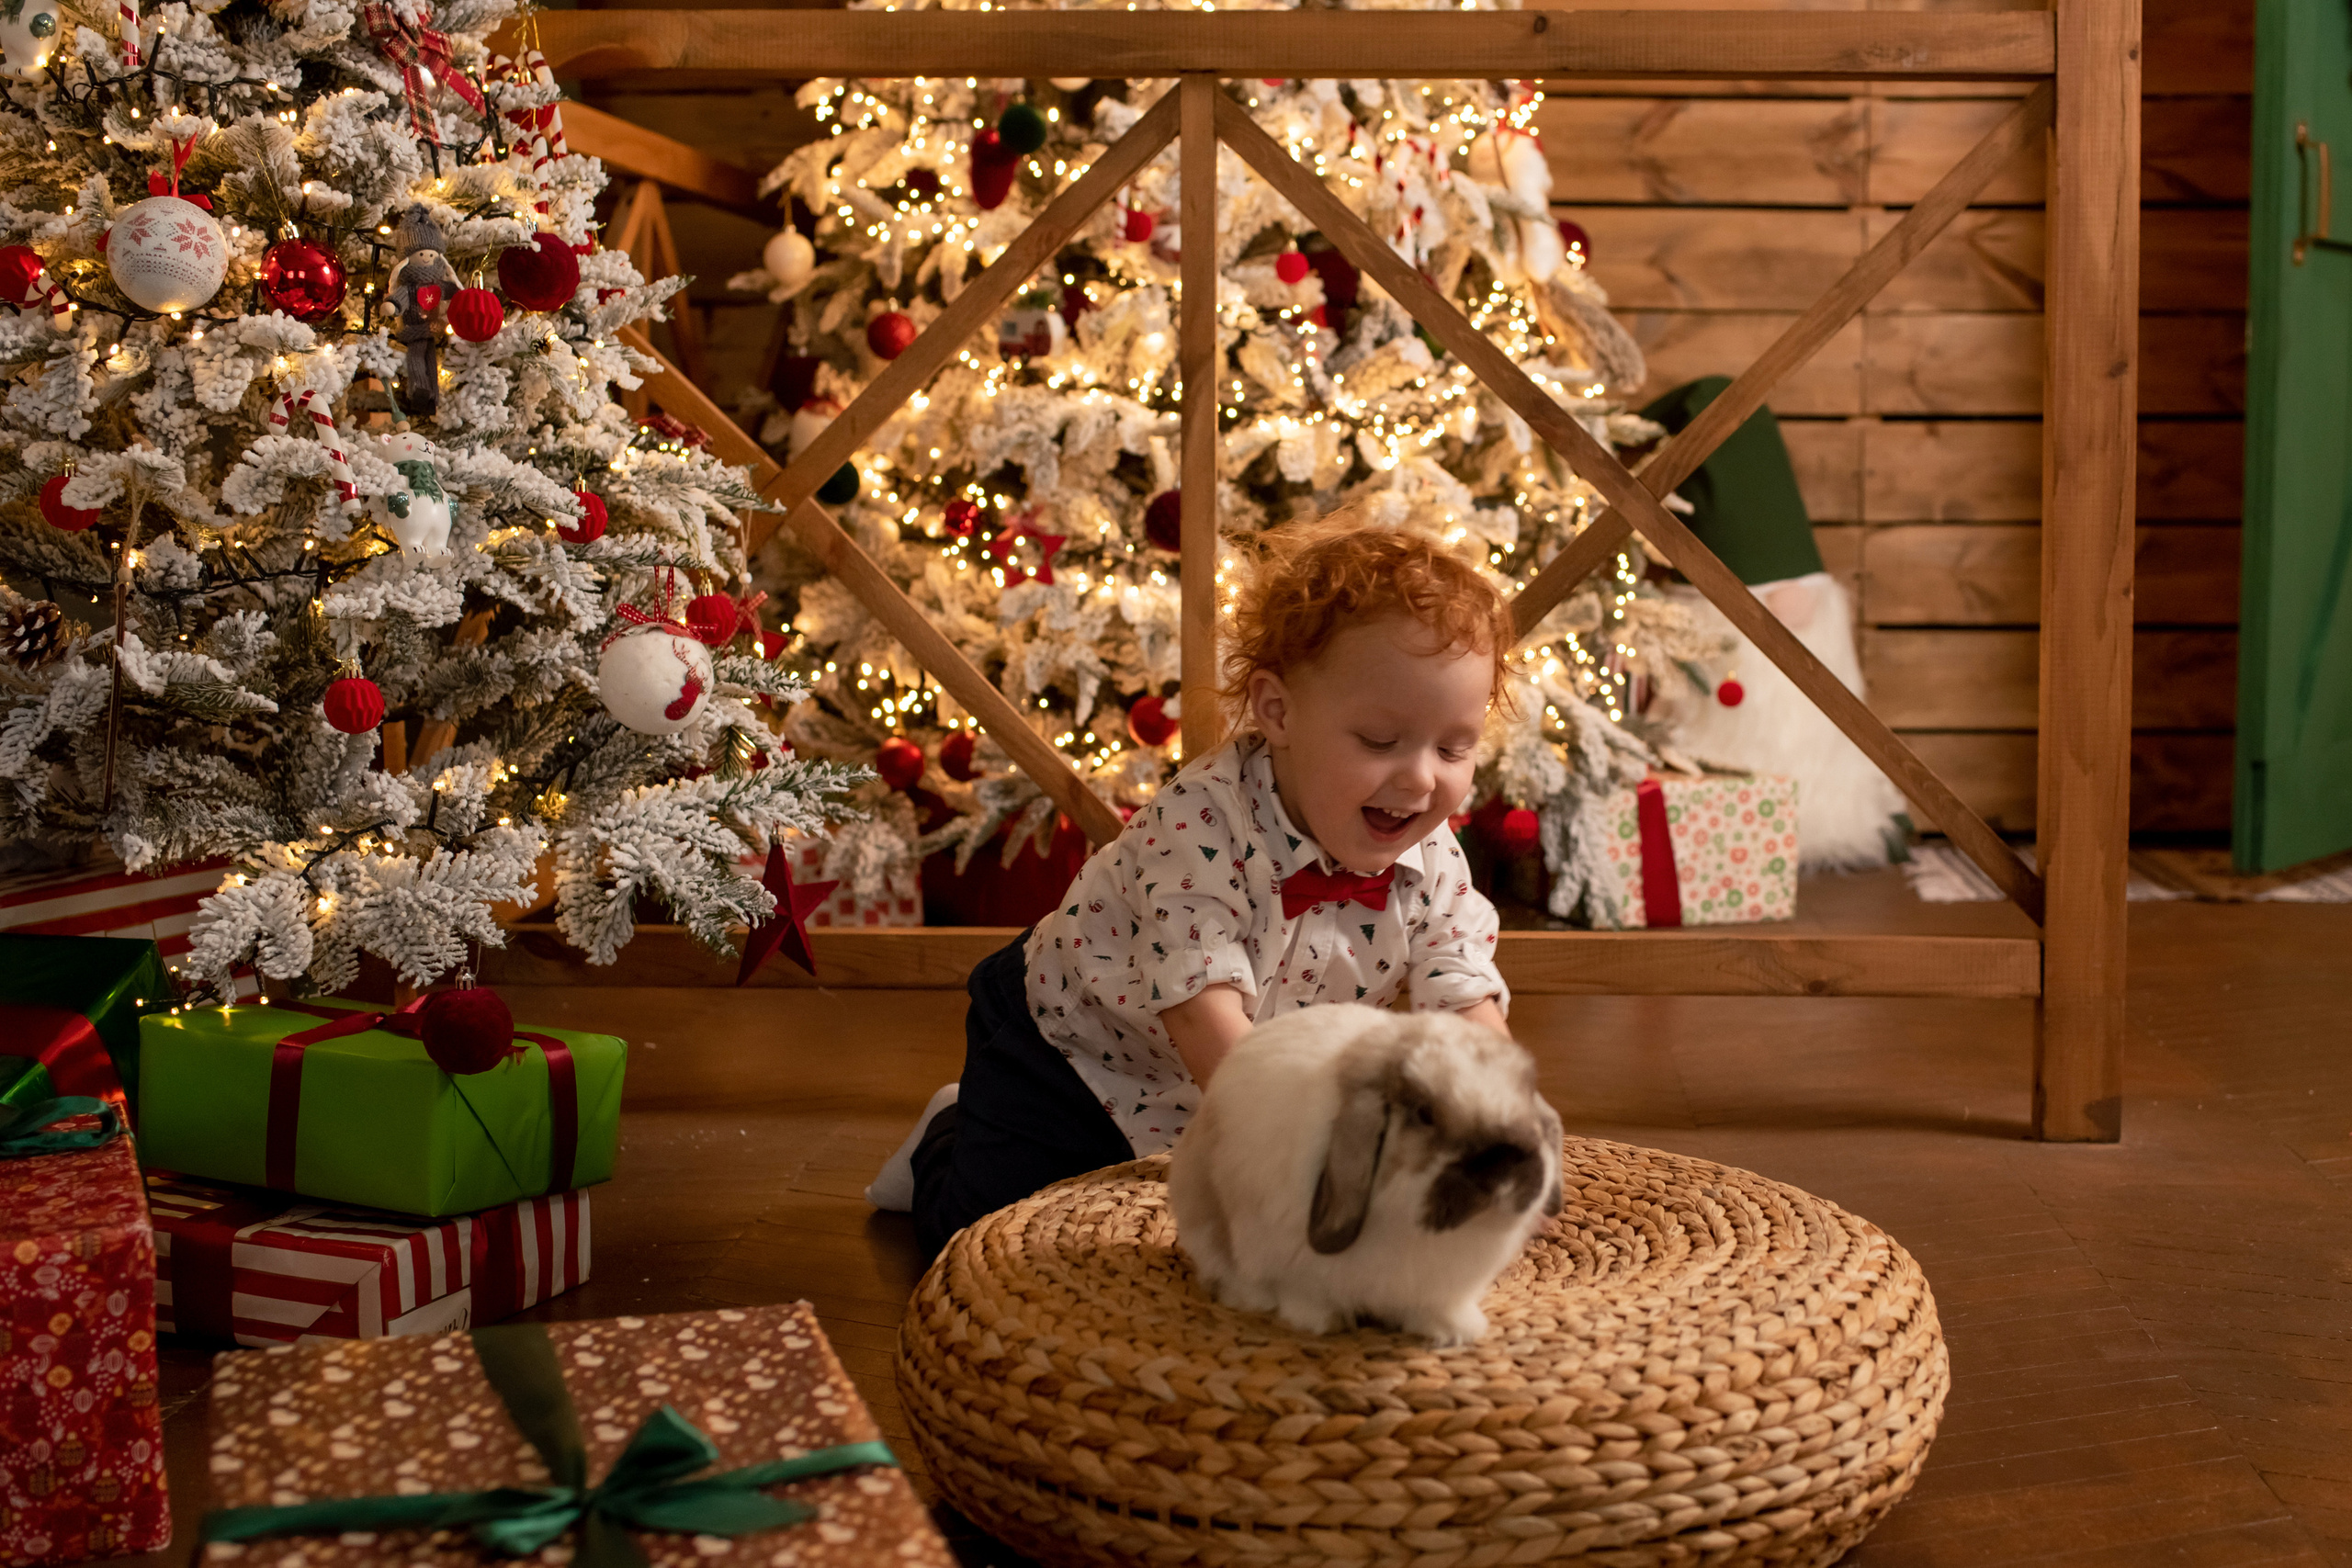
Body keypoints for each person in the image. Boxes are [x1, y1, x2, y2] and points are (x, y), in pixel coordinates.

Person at [866, 517, 1519, 1258]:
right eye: (1379, 741)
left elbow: (1464, 995)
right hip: (1071, 1046)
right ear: (1278, 711)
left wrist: (1506, 1135)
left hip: (1216, 1075)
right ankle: (945, 1135)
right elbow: (1202, 1014)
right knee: (987, 1241)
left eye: (1454, 746)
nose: (1420, 777)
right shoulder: (1202, 824)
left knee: (1176, 1246)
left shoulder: (1431, 856)